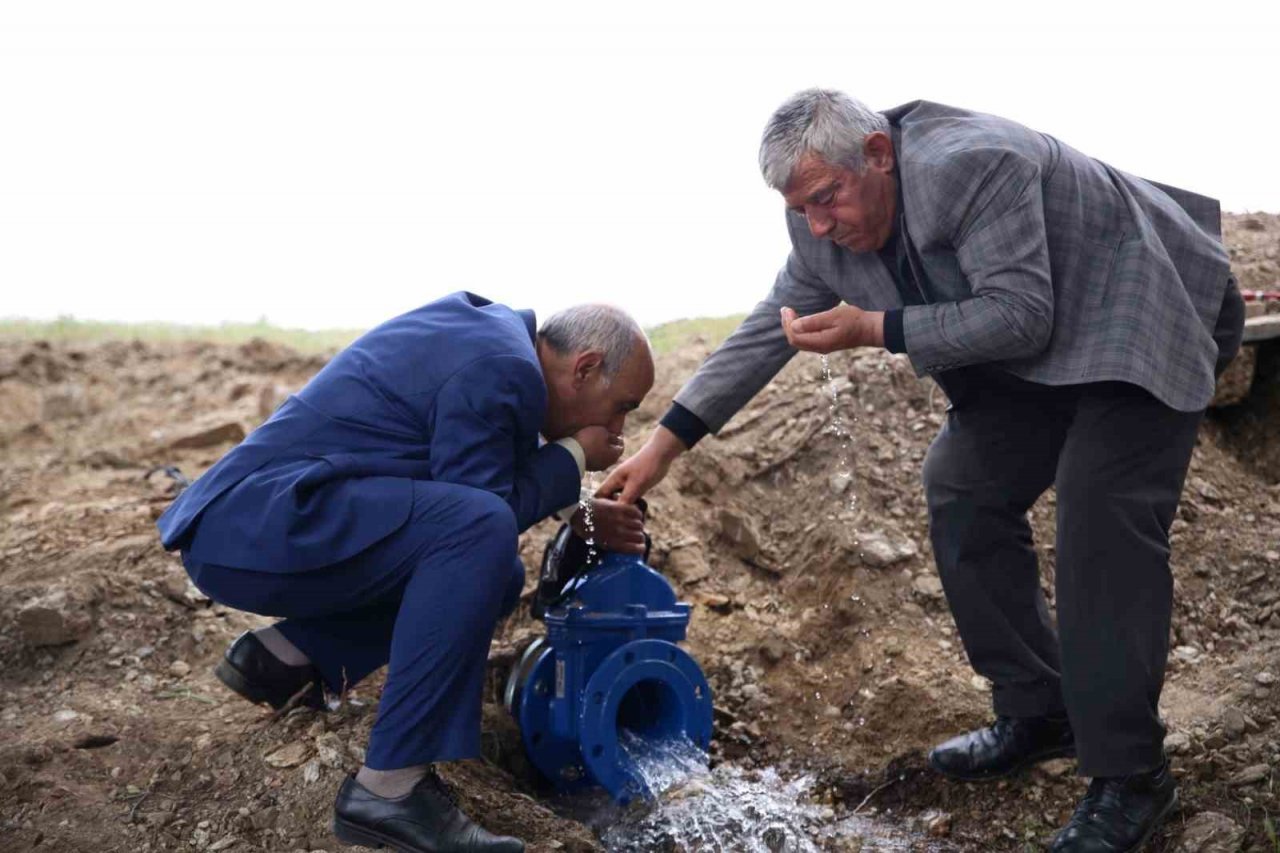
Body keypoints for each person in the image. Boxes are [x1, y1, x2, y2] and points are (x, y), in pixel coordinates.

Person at [598, 90, 1244, 852]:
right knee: (962, 485)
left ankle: (1132, 775)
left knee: (1100, 510)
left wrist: (876, 328)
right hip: (1039, 350)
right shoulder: (820, 218)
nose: (818, 225)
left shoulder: (972, 164)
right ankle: (1040, 709)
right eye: (801, 208)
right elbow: (765, 329)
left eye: (827, 199)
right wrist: (663, 444)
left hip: (1136, 306)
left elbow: (1022, 311)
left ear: (878, 154)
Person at [157, 292, 654, 853]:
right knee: (480, 532)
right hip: (255, 526)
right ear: (584, 368)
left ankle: (288, 654)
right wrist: (573, 457)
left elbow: (477, 473)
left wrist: (580, 509)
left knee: (497, 573)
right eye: (622, 407)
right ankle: (390, 789)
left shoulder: (497, 344)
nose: (618, 427)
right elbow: (485, 508)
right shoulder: (503, 365)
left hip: (259, 522)